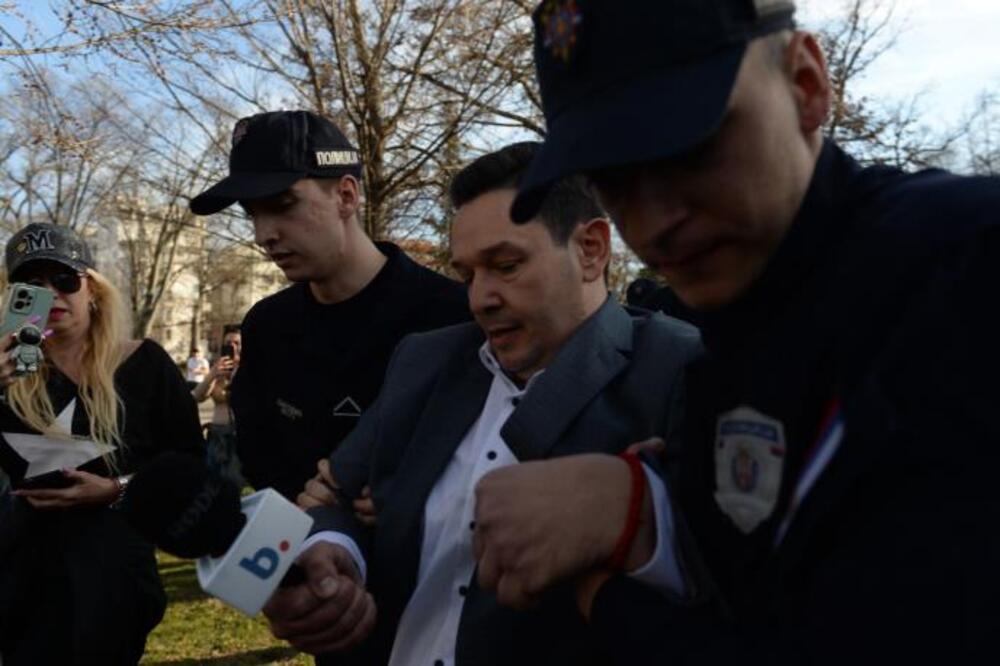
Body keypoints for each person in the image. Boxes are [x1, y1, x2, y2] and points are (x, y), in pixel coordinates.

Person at [469, 1, 1000, 663]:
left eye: (690, 147)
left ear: (806, 83)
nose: (654, 221)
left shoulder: (964, 272)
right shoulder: (744, 318)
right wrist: (644, 495)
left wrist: (595, 593)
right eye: (613, 180)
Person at [260, 142, 701, 665]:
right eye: (468, 274)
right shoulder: (425, 360)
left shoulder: (683, 371)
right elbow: (329, 497)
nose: (479, 298)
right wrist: (332, 555)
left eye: (506, 265)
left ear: (591, 249)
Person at [190, 110, 470, 501]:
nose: (263, 235)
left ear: (347, 195)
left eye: (282, 204)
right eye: (252, 213)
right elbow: (258, 458)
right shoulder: (267, 327)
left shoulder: (456, 317)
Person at [0, 223, 204, 665]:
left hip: (117, 584)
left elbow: (190, 465)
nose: (50, 294)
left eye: (65, 280)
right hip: (22, 589)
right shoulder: (7, 377)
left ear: (91, 288)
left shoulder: (145, 364)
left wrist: (118, 489)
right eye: (30, 286)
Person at [191, 326, 243, 484]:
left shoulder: (249, 370)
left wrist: (236, 377)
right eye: (228, 342)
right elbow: (197, 397)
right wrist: (212, 375)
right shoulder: (217, 370)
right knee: (213, 481)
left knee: (235, 482)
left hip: (238, 435)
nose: (232, 346)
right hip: (216, 434)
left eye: (236, 343)